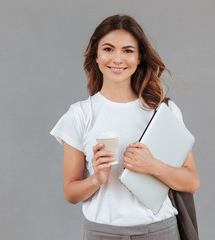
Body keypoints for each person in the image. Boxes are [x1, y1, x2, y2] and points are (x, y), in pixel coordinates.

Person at [50, 14, 200, 240]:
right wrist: (96, 179)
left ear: (139, 57)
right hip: (102, 233)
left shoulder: (162, 111)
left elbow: (192, 181)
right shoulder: (79, 115)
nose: (118, 59)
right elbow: (70, 192)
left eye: (128, 51)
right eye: (108, 49)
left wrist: (152, 166)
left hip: (160, 231)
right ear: (96, 56)